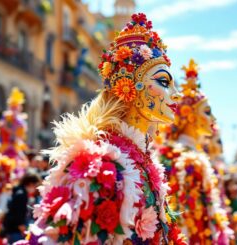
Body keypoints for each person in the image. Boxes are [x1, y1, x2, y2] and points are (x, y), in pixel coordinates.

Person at [15, 13, 186, 244]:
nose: (176, 94)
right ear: (130, 88)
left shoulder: (144, 161)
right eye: (164, 82)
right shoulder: (99, 164)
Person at [158, 60, 232, 244]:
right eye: (207, 112)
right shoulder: (187, 159)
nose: (212, 119)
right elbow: (183, 220)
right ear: (189, 116)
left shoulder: (184, 155)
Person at [2, 172, 40, 244]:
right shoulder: (21, 195)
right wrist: (23, 230)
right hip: (16, 230)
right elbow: (17, 214)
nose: (35, 188)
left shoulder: (20, 191)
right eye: (35, 185)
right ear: (30, 184)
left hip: (13, 229)